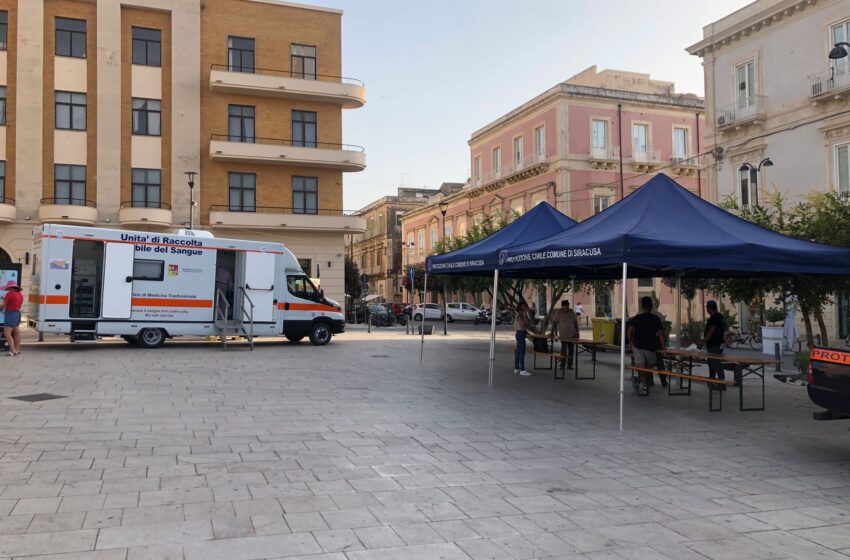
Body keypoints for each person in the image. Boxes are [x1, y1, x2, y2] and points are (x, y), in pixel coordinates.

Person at [628, 296, 666, 392]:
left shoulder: (637, 318)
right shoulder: (656, 318)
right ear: (651, 306)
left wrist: (631, 340)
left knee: (641, 367)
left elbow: (629, 331)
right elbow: (661, 334)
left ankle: (642, 382)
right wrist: (663, 347)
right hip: (651, 347)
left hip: (638, 346)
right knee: (648, 366)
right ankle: (645, 384)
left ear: (642, 306)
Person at [699, 300, 727, 390]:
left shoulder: (714, 318)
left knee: (715, 363)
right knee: (712, 363)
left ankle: (721, 382)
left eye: (707, 308)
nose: (706, 309)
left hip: (714, 344)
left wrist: (703, 341)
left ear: (709, 308)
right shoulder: (720, 317)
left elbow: (711, 331)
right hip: (719, 343)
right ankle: (712, 380)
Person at [551, 300, 579, 371]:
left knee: (571, 350)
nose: (567, 307)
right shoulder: (558, 312)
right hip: (563, 335)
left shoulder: (572, 312)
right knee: (564, 350)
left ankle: (570, 364)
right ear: (562, 306)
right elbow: (554, 322)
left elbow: (575, 322)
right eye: (565, 306)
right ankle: (562, 364)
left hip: (571, 335)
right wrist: (552, 332)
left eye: (568, 305)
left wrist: (577, 332)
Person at [1, 283, 23, 356]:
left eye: (8, 288)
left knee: (7, 333)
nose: (7, 289)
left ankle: (13, 351)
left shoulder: (9, 294)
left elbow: (3, 305)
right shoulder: (20, 295)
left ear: (11, 288)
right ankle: (17, 349)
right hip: (17, 313)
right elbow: (19, 306)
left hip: (10, 314)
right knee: (17, 332)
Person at [514, 301, 535, 376]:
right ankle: (522, 369)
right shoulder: (520, 314)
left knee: (519, 351)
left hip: (521, 333)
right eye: (523, 306)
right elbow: (522, 325)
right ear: (520, 307)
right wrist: (525, 317)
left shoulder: (522, 314)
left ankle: (517, 368)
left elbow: (526, 324)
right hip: (520, 333)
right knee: (521, 351)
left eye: (525, 306)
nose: (525, 308)